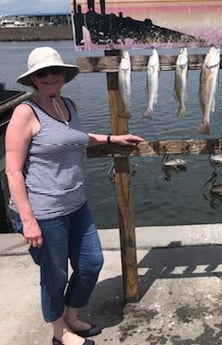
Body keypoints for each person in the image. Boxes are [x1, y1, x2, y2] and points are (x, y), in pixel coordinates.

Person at [5, 46, 144, 345]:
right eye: (42, 73)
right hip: (44, 211)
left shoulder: (69, 105)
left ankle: (71, 315)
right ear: (33, 79)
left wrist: (111, 138)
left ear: (64, 75)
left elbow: (76, 138)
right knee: (54, 274)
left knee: (91, 262)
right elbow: (13, 171)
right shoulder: (24, 113)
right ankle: (60, 331)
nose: (50, 77)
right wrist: (28, 220)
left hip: (76, 204)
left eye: (55, 71)